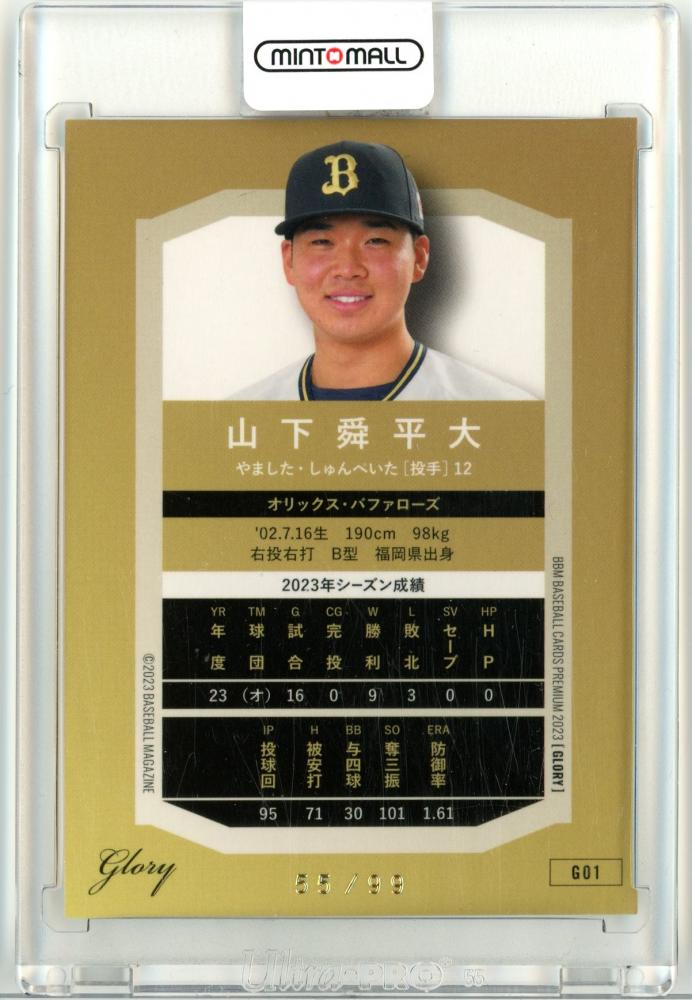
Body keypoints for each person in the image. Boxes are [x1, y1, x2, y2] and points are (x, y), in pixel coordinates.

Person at [232, 140, 534, 401]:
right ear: (289, 261)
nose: (348, 269)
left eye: (375, 241)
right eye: (322, 242)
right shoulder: (241, 418)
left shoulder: (497, 411)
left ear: (419, 257)